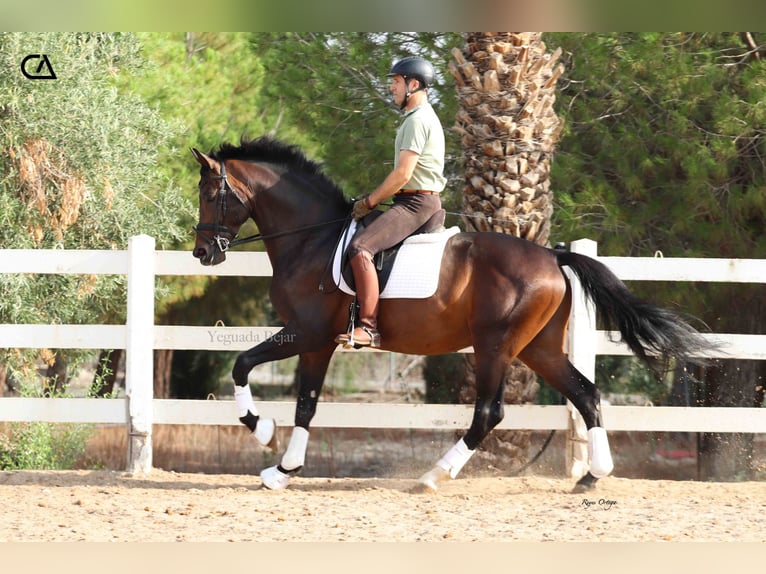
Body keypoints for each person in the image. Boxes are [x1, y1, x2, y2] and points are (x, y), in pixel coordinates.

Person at [335, 56, 447, 348]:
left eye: (395, 82)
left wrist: (369, 202)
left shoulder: (418, 120)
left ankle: (369, 328)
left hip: (415, 204)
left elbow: (402, 174)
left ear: (413, 84)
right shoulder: (418, 118)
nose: (390, 88)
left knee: (360, 248)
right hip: (416, 200)